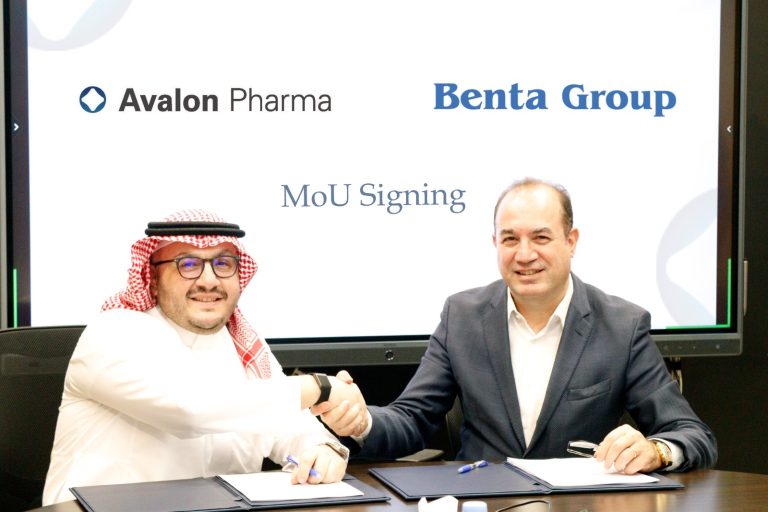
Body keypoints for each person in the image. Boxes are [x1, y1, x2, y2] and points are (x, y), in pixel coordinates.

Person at [317, 178, 717, 474]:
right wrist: (362, 422)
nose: (524, 255)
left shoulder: (622, 326)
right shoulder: (462, 316)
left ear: (571, 241)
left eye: (540, 237)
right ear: (495, 243)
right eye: (510, 239)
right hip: (484, 500)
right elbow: (412, 419)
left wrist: (656, 451)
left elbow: (693, 434)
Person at [43, 210, 357, 505]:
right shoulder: (113, 333)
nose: (209, 280)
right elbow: (190, 409)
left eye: (223, 264)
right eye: (188, 264)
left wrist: (321, 448)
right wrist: (319, 387)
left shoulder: (240, 342)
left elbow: (284, 420)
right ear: (153, 277)